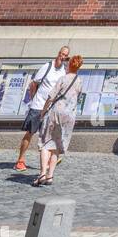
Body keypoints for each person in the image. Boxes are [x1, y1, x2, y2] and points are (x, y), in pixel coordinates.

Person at [14, 45, 70, 171]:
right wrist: (34, 99)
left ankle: (50, 159)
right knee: (30, 133)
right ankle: (20, 160)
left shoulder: (63, 70)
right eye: (62, 54)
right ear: (58, 53)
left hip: (51, 108)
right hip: (38, 106)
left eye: (66, 55)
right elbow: (33, 83)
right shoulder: (47, 66)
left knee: (50, 136)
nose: (63, 57)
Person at [33, 54, 84, 187]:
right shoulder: (79, 81)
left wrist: (43, 111)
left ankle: (43, 173)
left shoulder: (63, 78)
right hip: (69, 117)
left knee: (45, 143)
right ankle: (50, 176)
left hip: (55, 113)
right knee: (56, 145)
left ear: (69, 64)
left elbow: (51, 97)